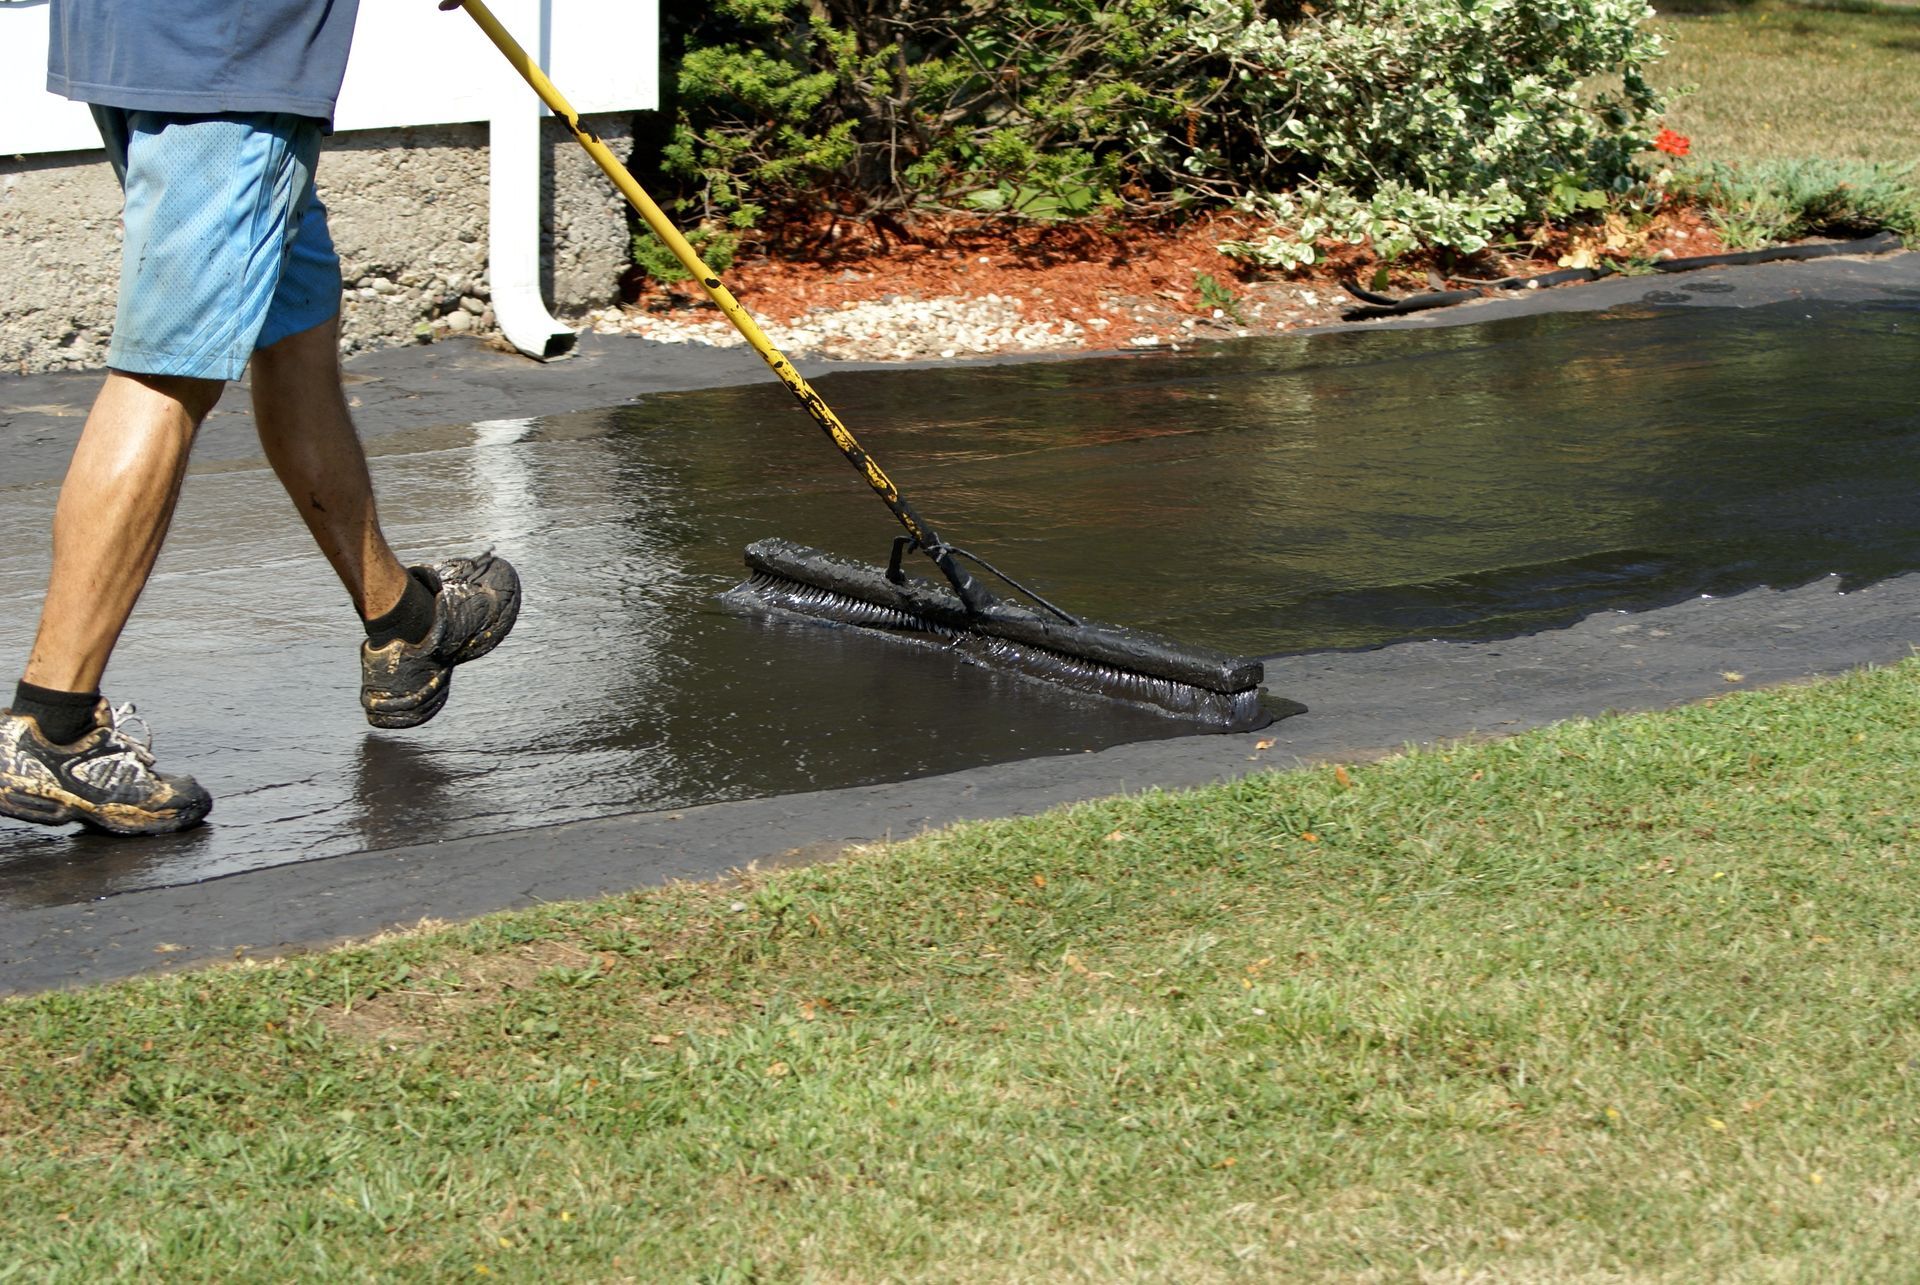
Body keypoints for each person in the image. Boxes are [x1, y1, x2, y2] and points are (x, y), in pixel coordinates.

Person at [0, 0, 520, 836]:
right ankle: (51, 725)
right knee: (169, 371)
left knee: (291, 322)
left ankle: (404, 624)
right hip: (228, 49)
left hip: (140, 33)